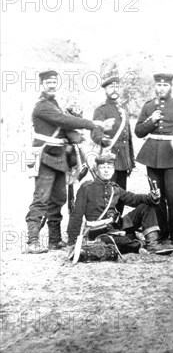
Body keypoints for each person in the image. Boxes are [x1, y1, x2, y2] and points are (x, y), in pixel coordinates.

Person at [25, 70, 114, 254]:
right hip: (45, 157)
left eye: (54, 81)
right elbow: (64, 121)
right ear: (41, 84)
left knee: (58, 199)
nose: (51, 84)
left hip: (59, 158)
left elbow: (66, 126)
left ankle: (55, 240)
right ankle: (32, 242)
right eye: (48, 82)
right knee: (41, 199)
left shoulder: (55, 104)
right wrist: (93, 124)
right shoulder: (41, 106)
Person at [135, 73, 173, 244]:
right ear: (155, 87)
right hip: (152, 155)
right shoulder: (147, 107)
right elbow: (139, 132)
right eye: (159, 85)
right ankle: (163, 232)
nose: (161, 88)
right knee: (157, 197)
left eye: (165, 85)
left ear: (171, 87)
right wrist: (151, 121)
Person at [66, 153, 161, 252]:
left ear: (113, 170)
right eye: (103, 167)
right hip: (98, 232)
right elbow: (76, 216)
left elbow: (133, 199)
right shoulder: (86, 188)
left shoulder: (114, 188)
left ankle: (152, 245)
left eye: (109, 167)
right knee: (119, 242)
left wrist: (151, 197)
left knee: (146, 207)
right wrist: (73, 242)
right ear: (96, 170)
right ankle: (138, 245)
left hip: (116, 226)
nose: (106, 170)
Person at [91, 72, 135, 193]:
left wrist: (130, 161)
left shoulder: (123, 110)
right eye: (111, 87)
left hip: (123, 160)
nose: (115, 90)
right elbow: (95, 133)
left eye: (117, 87)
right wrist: (103, 139)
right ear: (105, 90)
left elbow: (129, 138)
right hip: (108, 158)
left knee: (121, 194)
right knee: (108, 195)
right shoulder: (101, 110)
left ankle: (119, 213)